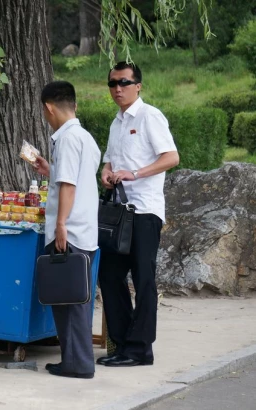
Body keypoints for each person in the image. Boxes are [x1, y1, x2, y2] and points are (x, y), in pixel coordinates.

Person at [97, 61, 180, 367]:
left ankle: (140, 349)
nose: (117, 89)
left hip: (144, 211)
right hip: (119, 213)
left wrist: (135, 173)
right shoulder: (116, 122)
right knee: (109, 274)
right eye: (112, 84)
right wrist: (106, 173)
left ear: (138, 85)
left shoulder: (150, 116)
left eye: (124, 83)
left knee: (144, 278)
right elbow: (108, 161)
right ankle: (122, 343)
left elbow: (171, 157)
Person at [34, 81, 101, 379]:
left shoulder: (67, 139)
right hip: (84, 227)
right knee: (75, 298)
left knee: (69, 301)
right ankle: (74, 360)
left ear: (49, 107)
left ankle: (77, 364)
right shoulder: (86, 138)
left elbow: (70, 186)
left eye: (44, 112)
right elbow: (75, 176)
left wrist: (60, 223)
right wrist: (51, 169)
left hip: (70, 229)